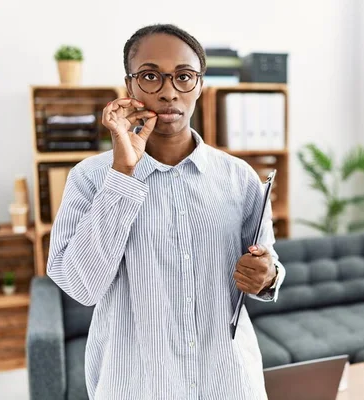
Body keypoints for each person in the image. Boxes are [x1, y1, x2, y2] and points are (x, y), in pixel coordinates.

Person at [46, 23, 286, 400]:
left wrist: (268, 275)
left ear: (200, 85)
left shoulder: (240, 178)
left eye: (183, 77)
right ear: (130, 86)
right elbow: (80, 286)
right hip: (136, 385)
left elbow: (266, 263)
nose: (168, 91)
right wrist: (123, 174)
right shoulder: (90, 178)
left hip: (227, 380)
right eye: (151, 76)